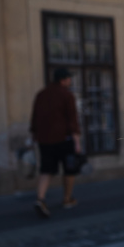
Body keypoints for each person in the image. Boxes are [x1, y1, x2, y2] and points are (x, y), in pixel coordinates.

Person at [29, 67, 82, 217]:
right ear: (63, 79)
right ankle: (67, 199)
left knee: (46, 170)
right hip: (64, 139)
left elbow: (35, 117)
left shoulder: (41, 94)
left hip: (44, 140)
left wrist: (34, 135)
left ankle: (40, 199)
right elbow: (72, 120)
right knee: (69, 169)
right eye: (69, 78)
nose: (70, 81)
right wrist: (77, 141)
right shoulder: (67, 95)